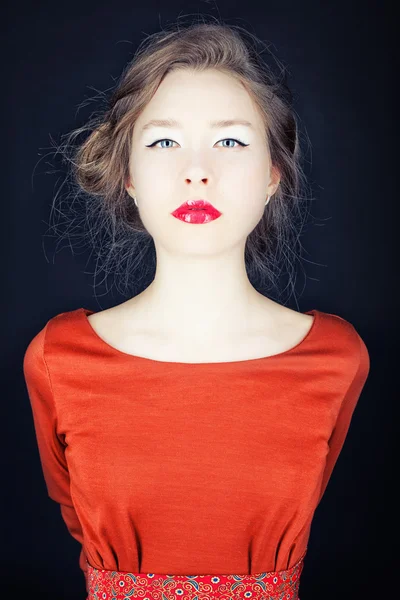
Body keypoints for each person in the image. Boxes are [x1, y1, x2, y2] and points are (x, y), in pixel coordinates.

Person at [23, 16, 370, 600]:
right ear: (128, 175)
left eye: (230, 141)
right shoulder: (58, 359)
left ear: (271, 175)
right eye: (163, 141)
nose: (197, 172)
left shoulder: (337, 359)